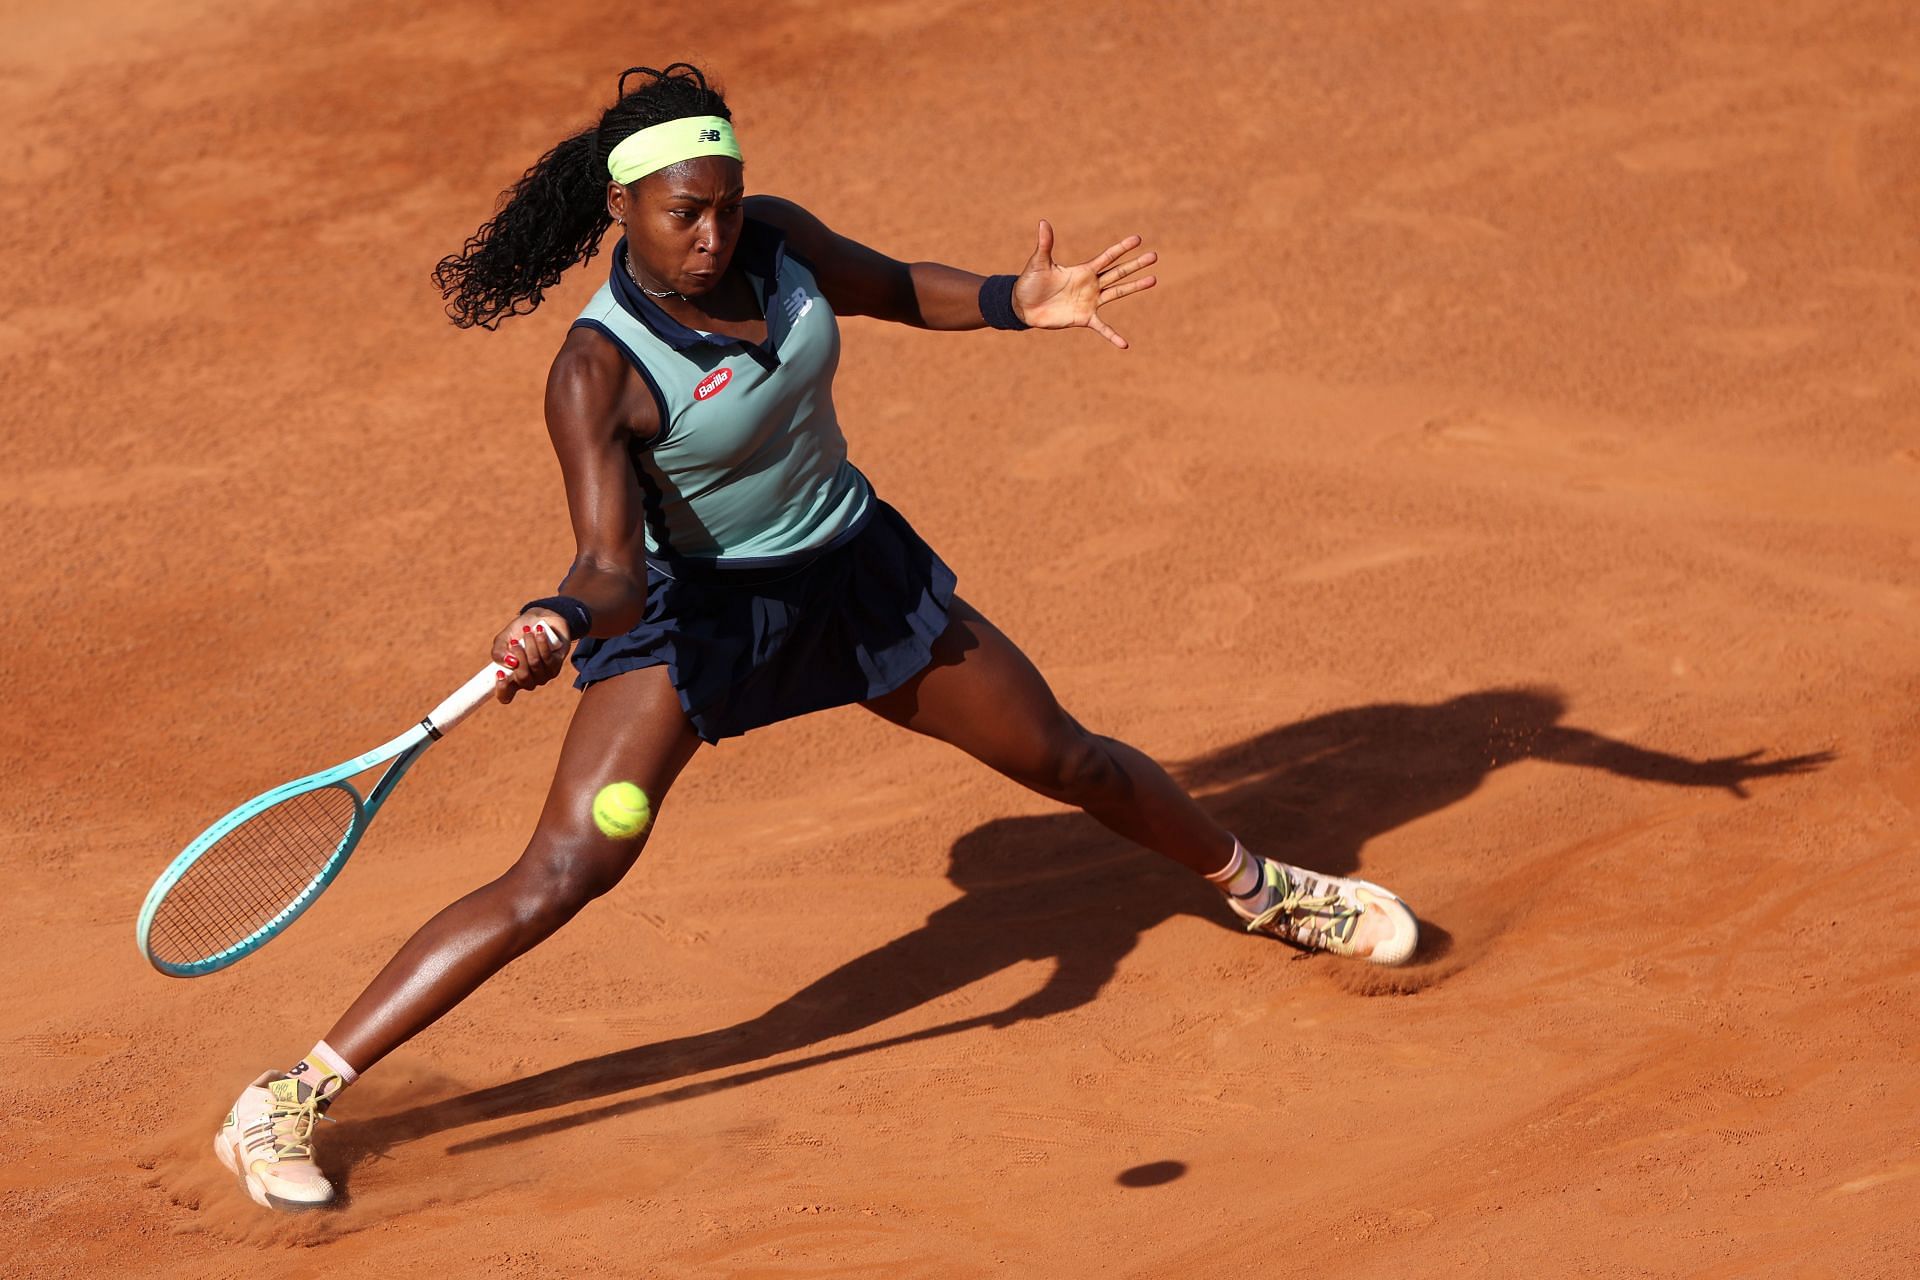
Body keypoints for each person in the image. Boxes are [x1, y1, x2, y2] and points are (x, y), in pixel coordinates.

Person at [213, 63, 1420, 1213]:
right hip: (702, 618)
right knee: (564, 870)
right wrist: (557, 617)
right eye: (687, 213)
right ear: (622, 207)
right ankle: (290, 1095)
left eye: (727, 208)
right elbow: (610, 567)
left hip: (856, 572)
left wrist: (1015, 301)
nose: (714, 235)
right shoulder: (596, 371)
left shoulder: (778, 240)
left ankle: (1267, 893)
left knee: (1065, 755)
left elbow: (894, 285)